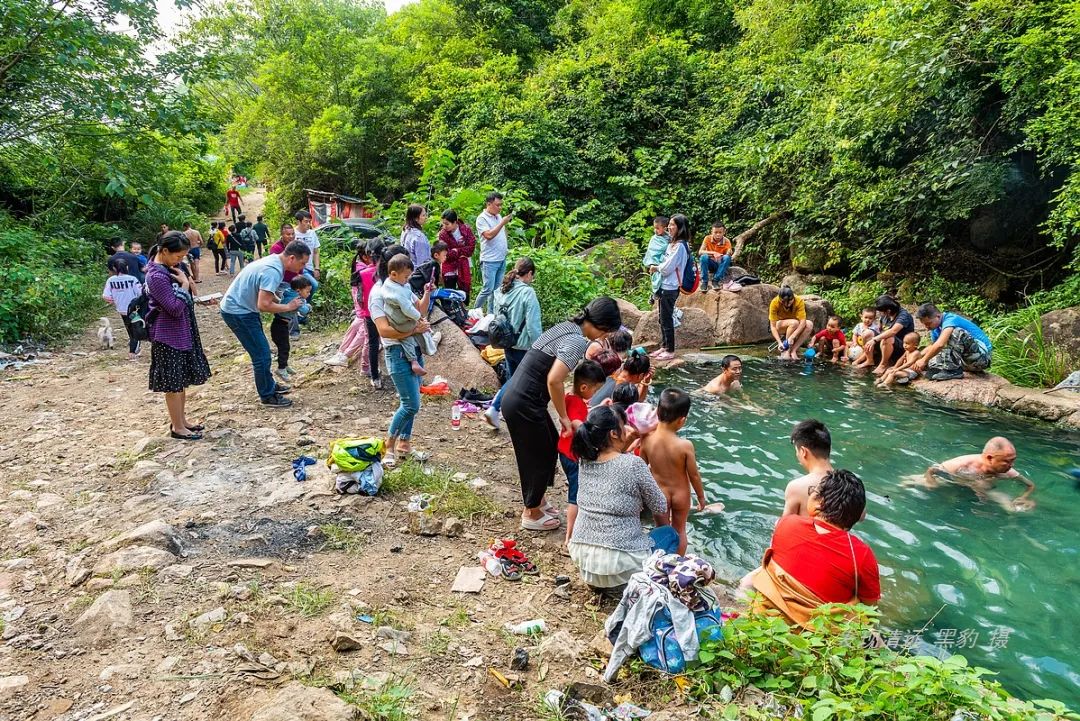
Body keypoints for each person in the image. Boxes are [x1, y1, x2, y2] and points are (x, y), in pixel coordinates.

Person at [503, 297, 623, 531]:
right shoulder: (577, 341)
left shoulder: (566, 327)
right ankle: (531, 512)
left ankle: (538, 500)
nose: (603, 338)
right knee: (536, 456)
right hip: (524, 403)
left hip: (523, 399)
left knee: (549, 446)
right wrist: (564, 417)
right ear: (601, 325)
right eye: (606, 333)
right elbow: (554, 380)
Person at [750, 469, 880, 627]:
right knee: (859, 601)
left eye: (813, 492)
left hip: (766, 617)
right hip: (812, 633)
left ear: (819, 502)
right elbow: (870, 608)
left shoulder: (786, 523)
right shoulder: (861, 553)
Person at [567, 405, 677, 591]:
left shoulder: (584, 461)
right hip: (618, 563)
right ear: (613, 433)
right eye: (623, 425)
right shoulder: (633, 464)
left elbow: (613, 460)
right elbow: (660, 505)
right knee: (670, 534)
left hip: (585, 561)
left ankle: (602, 586)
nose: (627, 428)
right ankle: (641, 583)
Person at [219, 240, 310, 408]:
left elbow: (267, 293)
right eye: (302, 263)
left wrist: (281, 302)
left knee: (263, 351)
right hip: (238, 312)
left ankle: (269, 385)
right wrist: (288, 307)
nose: (302, 268)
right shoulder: (273, 270)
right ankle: (267, 396)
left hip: (245, 309)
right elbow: (264, 305)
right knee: (261, 355)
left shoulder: (275, 262)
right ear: (291, 258)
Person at [370, 245, 434, 465]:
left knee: (411, 400)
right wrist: (414, 330)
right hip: (396, 351)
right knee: (411, 404)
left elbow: (420, 310)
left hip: (413, 347)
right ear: (392, 270)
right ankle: (388, 445)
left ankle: (404, 443)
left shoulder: (402, 286)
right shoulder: (379, 294)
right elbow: (384, 330)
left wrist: (427, 292)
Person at [144, 232, 212, 440]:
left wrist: (196, 297)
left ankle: (182, 421)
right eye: (178, 256)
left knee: (181, 381)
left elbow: (181, 301)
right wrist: (184, 285)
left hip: (182, 331)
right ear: (165, 251)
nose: (180, 260)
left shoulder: (170, 268)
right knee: (173, 384)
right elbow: (173, 308)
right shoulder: (156, 276)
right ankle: (177, 427)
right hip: (167, 335)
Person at [640, 388, 708, 554]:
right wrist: (701, 497)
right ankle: (678, 563)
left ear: (657, 412)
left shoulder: (647, 440)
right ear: (682, 420)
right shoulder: (685, 446)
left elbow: (641, 469)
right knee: (680, 531)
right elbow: (694, 475)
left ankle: (661, 562)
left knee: (662, 531)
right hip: (681, 494)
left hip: (659, 494)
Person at [485, 257, 543, 430]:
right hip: (523, 346)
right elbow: (533, 325)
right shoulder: (527, 293)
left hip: (506, 343)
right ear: (529, 273)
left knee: (512, 379)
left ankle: (506, 411)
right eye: (532, 276)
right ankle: (495, 408)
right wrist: (539, 347)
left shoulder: (501, 290)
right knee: (518, 381)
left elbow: (494, 315)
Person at [558, 360, 607, 546]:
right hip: (573, 456)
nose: (595, 394)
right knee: (575, 497)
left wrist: (598, 407)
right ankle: (570, 538)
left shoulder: (570, 398)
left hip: (564, 452)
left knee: (576, 491)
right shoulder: (577, 403)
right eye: (595, 390)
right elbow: (578, 423)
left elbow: (578, 415)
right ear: (584, 387)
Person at [922, 437, 1034, 510]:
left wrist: (1023, 497)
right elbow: (932, 470)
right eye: (1007, 461)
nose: (1012, 465)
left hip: (985, 491)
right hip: (953, 482)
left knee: (1015, 509)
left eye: (1013, 460)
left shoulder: (1008, 471)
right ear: (990, 458)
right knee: (913, 483)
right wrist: (931, 482)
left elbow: (1030, 485)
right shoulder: (960, 464)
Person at [325, 240, 381, 383]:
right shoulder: (370, 271)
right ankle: (353, 360)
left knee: (359, 330)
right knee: (367, 338)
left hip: (363, 309)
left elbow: (358, 293)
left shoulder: (361, 269)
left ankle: (342, 353)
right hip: (370, 311)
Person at [912, 302, 992, 381]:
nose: (927, 327)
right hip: (963, 362)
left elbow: (940, 344)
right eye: (924, 324)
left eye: (928, 323)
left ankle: (953, 371)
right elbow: (933, 346)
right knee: (930, 360)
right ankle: (948, 369)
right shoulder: (935, 328)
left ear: (938, 316)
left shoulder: (950, 319)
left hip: (981, 359)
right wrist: (918, 356)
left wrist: (924, 360)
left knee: (956, 332)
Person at [382, 254, 433, 377]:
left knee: (410, 336)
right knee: (416, 330)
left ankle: (415, 359)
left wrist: (427, 292)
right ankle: (417, 357)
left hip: (399, 320)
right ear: (394, 274)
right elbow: (408, 309)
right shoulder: (397, 292)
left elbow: (418, 306)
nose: (408, 279)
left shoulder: (396, 285)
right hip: (400, 322)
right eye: (406, 277)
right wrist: (419, 318)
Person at [648, 215, 689, 361]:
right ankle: (664, 346)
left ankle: (670, 350)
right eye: (669, 225)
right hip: (664, 285)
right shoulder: (673, 243)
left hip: (670, 287)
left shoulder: (680, 246)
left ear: (680, 228)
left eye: (672, 225)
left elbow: (667, 268)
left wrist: (655, 268)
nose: (669, 227)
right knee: (662, 317)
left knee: (667, 319)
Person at [781, 419, 833, 517]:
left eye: (797, 451)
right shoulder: (848, 484)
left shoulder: (796, 487)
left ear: (803, 451)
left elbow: (785, 523)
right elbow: (861, 516)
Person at [474, 192, 513, 313]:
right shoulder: (482, 218)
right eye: (497, 205)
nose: (500, 208)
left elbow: (502, 232)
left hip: (501, 258)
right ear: (489, 204)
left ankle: (491, 314)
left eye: (501, 205)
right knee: (488, 289)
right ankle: (474, 312)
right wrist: (502, 223)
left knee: (497, 290)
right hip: (489, 260)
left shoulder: (498, 216)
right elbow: (488, 235)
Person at [269, 275, 313, 385]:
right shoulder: (297, 300)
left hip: (279, 325)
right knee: (284, 348)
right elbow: (304, 311)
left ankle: (285, 365)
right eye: (307, 292)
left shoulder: (288, 292)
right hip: (280, 326)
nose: (308, 294)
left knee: (285, 347)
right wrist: (308, 306)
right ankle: (281, 369)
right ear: (298, 290)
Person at [101, 259, 143, 361]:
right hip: (133, 309)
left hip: (121, 309)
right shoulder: (132, 279)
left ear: (114, 268)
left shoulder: (111, 280)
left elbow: (106, 296)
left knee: (129, 328)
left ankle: (134, 347)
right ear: (127, 267)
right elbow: (141, 293)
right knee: (135, 330)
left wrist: (115, 299)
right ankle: (132, 352)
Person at [866, 295, 915, 376]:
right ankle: (870, 360)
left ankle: (883, 364)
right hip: (885, 345)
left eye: (881, 311)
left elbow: (893, 331)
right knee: (867, 333)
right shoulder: (884, 316)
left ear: (888, 311)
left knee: (887, 337)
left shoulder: (903, 316)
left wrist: (874, 340)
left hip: (902, 346)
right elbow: (879, 330)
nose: (879, 313)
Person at [437, 209, 477, 301]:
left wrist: (456, 250)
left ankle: (464, 307)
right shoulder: (443, 234)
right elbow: (446, 253)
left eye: (447, 224)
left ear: (455, 222)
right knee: (450, 291)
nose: (444, 226)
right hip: (449, 265)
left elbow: (471, 248)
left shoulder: (466, 230)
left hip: (464, 263)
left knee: (464, 289)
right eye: (443, 224)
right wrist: (460, 251)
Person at [769, 286, 813, 360]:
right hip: (780, 325)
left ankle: (793, 350)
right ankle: (787, 350)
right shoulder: (774, 302)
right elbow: (773, 326)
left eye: (789, 302)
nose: (787, 304)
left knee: (809, 324)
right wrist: (779, 342)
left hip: (795, 324)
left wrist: (792, 337)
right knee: (794, 323)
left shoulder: (799, 301)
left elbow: (803, 322)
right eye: (783, 302)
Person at [293, 210, 321, 299]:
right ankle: (303, 305)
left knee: (307, 289)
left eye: (309, 221)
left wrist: (317, 268)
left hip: (310, 268)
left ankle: (303, 304)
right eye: (306, 221)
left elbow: (316, 252)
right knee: (314, 285)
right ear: (299, 221)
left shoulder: (312, 233)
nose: (308, 224)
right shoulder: (292, 234)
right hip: (297, 269)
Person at [642, 216, 670, 304]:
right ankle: (654, 293)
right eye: (654, 228)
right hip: (654, 262)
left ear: (665, 228)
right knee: (657, 278)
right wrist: (652, 264)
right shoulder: (654, 239)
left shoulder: (669, 237)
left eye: (658, 228)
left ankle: (655, 294)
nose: (655, 230)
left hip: (665, 261)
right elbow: (651, 252)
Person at [698, 222, 732, 292]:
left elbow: (728, 253)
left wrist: (728, 253)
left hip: (719, 265)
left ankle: (715, 280)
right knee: (703, 257)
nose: (718, 234)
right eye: (715, 232)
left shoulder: (726, 241)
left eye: (720, 232)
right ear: (712, 232)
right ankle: (704, 282)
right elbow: (700, 251)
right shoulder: (707, 238)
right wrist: (714, 253)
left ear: (724, 232)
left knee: (727, 258)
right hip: (710, 264)